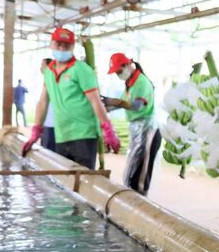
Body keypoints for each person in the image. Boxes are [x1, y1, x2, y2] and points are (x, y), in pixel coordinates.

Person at [22, 27, 121, 168]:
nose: (62, 49)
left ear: (73, 46)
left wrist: (108, 130)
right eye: (58, 44)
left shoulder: (81, 69)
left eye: (66, 45)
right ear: (51, 44)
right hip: (62, 134)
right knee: (63, 182)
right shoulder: (49, 71)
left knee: (84, 180)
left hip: (84, 135)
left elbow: (95, 101)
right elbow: (43, 102)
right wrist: (36, 131)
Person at [101, 53, 162, 196]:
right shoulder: (130, 83)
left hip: (147, 131)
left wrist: (115, 102)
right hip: (137, 131)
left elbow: (136, 106)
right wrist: (101, 108)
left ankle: (140, 205)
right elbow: (119, 104)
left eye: (119, 71)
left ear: (128, 65)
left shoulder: (141, 82)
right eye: (116, 73)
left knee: (140, 176)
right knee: (132, 170)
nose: (118, 75)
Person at [39, 59, 57, 152]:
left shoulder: (53, 80)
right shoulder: (47, 80)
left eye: (42, 65)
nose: (40, 68)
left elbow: (43, 103)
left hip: (53, 125)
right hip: (47, 125)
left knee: (51, 154)